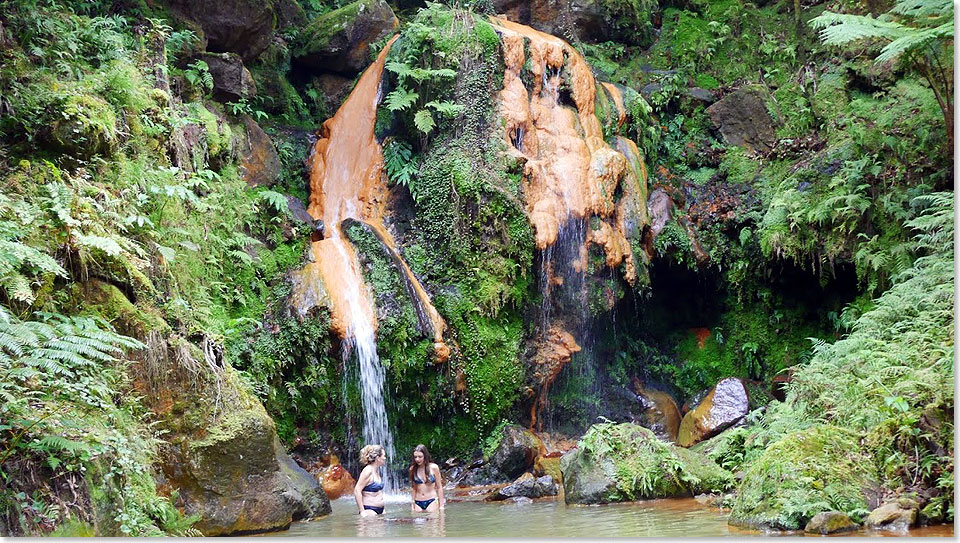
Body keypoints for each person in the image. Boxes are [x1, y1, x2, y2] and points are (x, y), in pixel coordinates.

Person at [408, 444, 444, 513]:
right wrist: (412, 504)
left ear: (425, 456)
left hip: (431, 500)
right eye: (415, 457)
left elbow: (439, 487)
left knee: (433, 522)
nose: (417, 459)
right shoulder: (412, 469)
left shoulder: (434, 468)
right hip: (418, 501)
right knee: (418, 523)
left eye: (420, 457)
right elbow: (414, 488)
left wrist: (441, 506)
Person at [354, 444, 387, 517]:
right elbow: (357, 490)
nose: (385, 458)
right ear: (378, 458)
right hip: (369, 509)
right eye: (383, 456)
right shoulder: (367, 471)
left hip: (380, 510)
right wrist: (362, 511)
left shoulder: (376, 471)